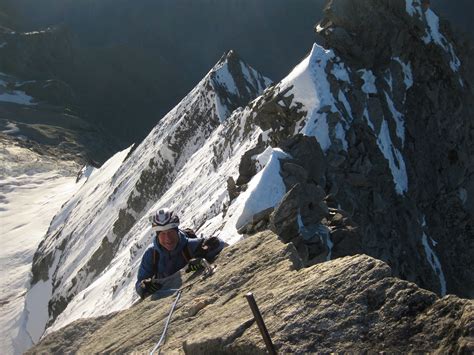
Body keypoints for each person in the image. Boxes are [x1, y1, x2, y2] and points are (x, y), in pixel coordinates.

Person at [135, 208, 225, 298]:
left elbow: (218, 243)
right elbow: (140, 283)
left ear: (177, 231)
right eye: (162, 234)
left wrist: (202, 253)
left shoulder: (189, 245)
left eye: (170, 232)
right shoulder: (151, 255)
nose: (168, 239)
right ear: (157, 235)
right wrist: (144, 287)